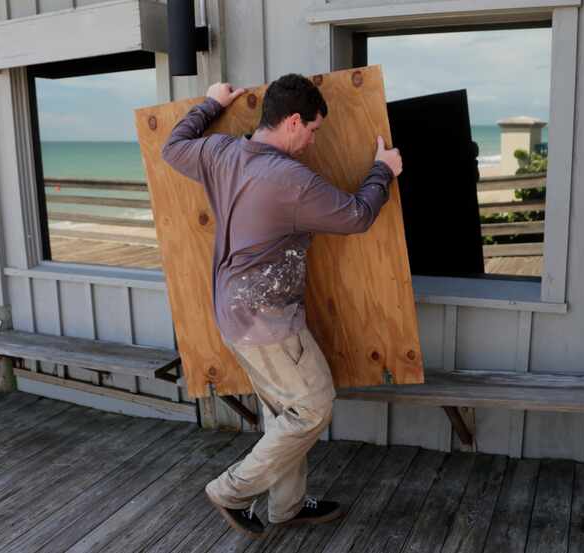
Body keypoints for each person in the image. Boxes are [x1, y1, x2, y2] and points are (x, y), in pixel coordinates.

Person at [161, 73, 403, 538]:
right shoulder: (290, 179)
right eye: (312, 130)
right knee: (312, 408)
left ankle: (286, 507)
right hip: (267, 320)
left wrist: (210, 105)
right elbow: (357, 215)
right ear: (293, 121)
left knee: (282, 412)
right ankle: (232, 490)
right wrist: (383, 171)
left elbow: (173, 146)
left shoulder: (220, 151)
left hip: (233, 311)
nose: (313, 142)